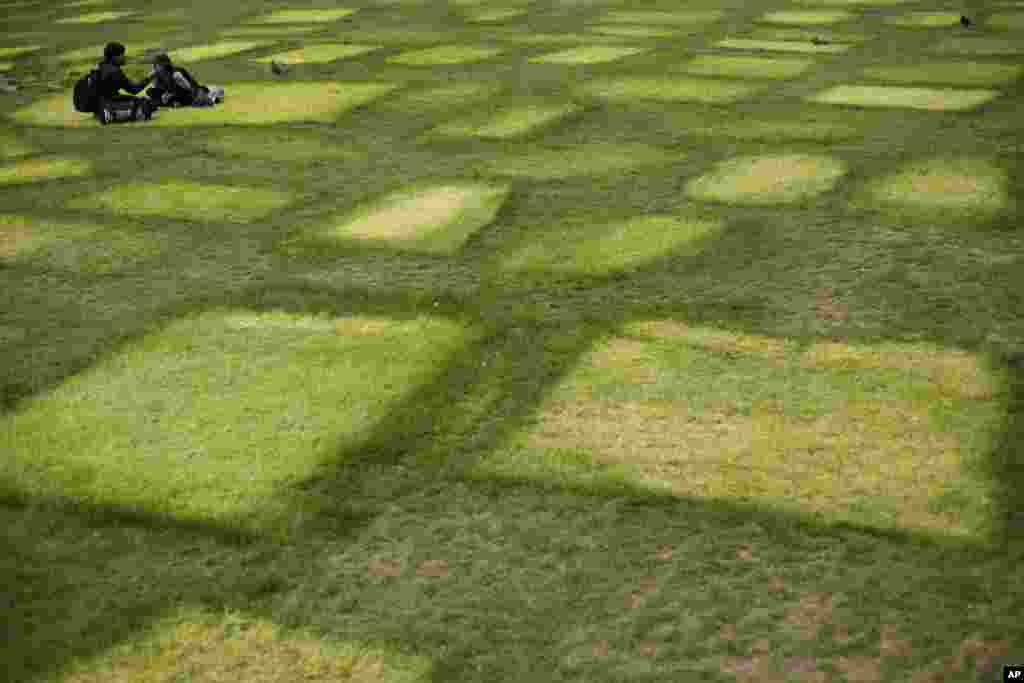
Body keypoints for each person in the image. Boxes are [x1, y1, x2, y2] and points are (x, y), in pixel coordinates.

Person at [94, 42, 157, 124]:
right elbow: (134, 89)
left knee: (139, 101)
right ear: (114, 57)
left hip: (99, 103)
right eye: (121, 55)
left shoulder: (100, 66)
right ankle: (112, 113)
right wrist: (150, 77)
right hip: (109, 102)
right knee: (146, 105)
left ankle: (107, 112)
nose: (124, 57)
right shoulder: (115, 71)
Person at [146, 53, 223, 108]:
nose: (154, 67)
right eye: (154, 65)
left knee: (196, 96)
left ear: (163, 65)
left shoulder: (176, 73)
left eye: (156, 65)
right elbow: (159, 88)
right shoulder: (157, 75)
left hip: (188, 93)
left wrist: (171, 94)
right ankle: (175, 103)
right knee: (150, 91)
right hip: (174, 96)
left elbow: (188, 88)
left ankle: (176, 103)